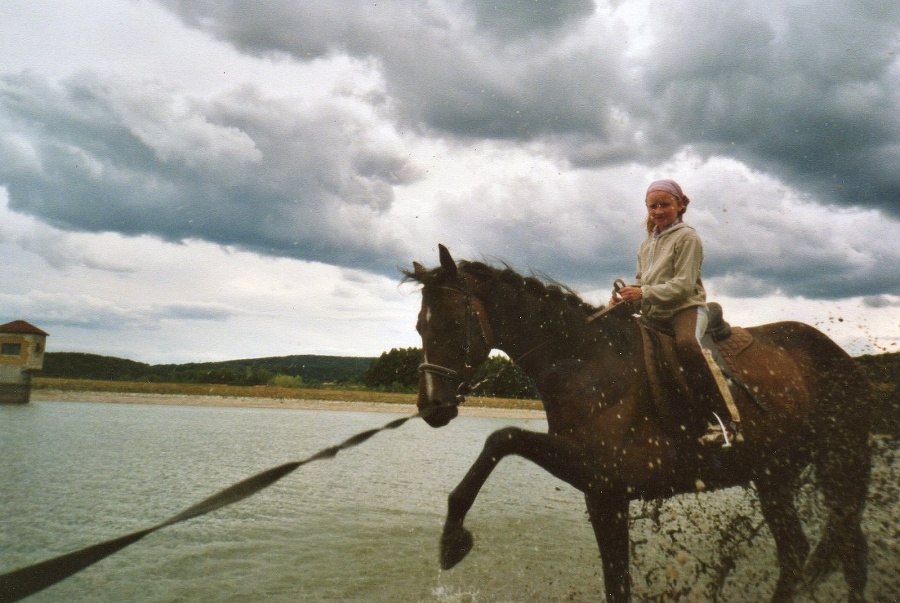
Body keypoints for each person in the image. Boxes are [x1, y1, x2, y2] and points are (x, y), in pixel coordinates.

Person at [611, 179, 740, 447]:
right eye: (652, 206)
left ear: (680, 205)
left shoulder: (687, 237)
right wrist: (625, 300)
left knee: (687, 346)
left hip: (685, 309)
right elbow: (642, 284)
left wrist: (644, 293)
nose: (658, 211)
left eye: (665, 205)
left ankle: (725, 422)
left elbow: (682, 286)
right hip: (654, 312)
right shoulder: (646, 244)